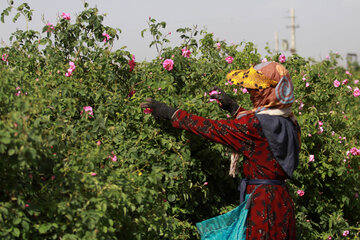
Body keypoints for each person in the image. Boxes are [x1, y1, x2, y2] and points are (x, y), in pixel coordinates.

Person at [140, 61, 301, 240]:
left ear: (269, 91)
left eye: (256, 89)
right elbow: (258, 127)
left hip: (262, 205)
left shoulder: (255, 125)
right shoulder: (290, 122)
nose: (250, 93)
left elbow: (214, 129)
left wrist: (171, 113)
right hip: (282, 202)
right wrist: (233, 107)